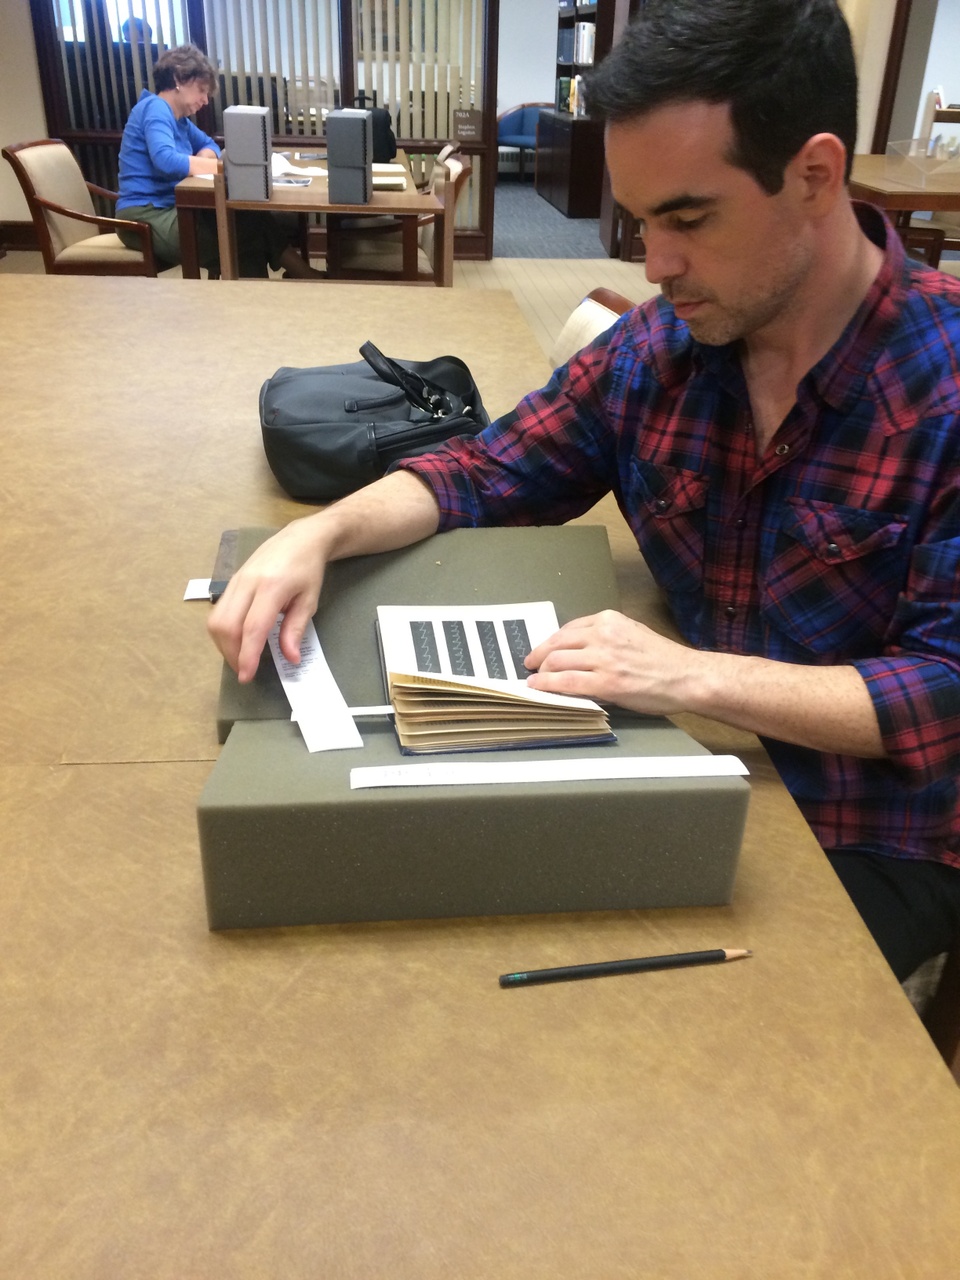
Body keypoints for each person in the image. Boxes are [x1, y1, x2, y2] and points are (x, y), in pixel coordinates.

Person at [208, 0, 960, 983]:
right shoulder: (663, 350)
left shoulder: (939, 387)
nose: (654, 266)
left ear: (815, 176)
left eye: (688, 218)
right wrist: (318, 536)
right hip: (685, 757)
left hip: (872, 828)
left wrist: (688, 676)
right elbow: (484, 472)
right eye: (641, 222)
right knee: (428, 931)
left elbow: (945, 688)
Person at [116, 44, 321, 279]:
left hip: (171, 211)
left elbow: (211, 145)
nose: (205, 100)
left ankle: (255, 305)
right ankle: (305, 275)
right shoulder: (156, 108)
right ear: (178, 80)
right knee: (249, 226)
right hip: (144, 219)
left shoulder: (179, 120)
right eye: (201, 90)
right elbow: (166, 160)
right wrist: (227, 169)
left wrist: (198, 160)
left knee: (246, 232)